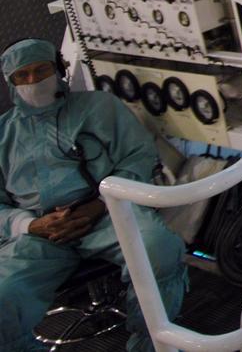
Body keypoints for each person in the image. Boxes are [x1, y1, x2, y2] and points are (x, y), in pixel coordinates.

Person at [0, 38, 187, 352]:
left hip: (108, 215)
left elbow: (138, 157)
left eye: (41, 70)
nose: (33, 81)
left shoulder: (99, 107)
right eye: (23, 75)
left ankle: (153, 344)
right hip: (40, 233)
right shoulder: (4, 134)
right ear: (11, 82)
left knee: (159, 249)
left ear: (58, 69)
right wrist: (30, 225)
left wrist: (99, 205)